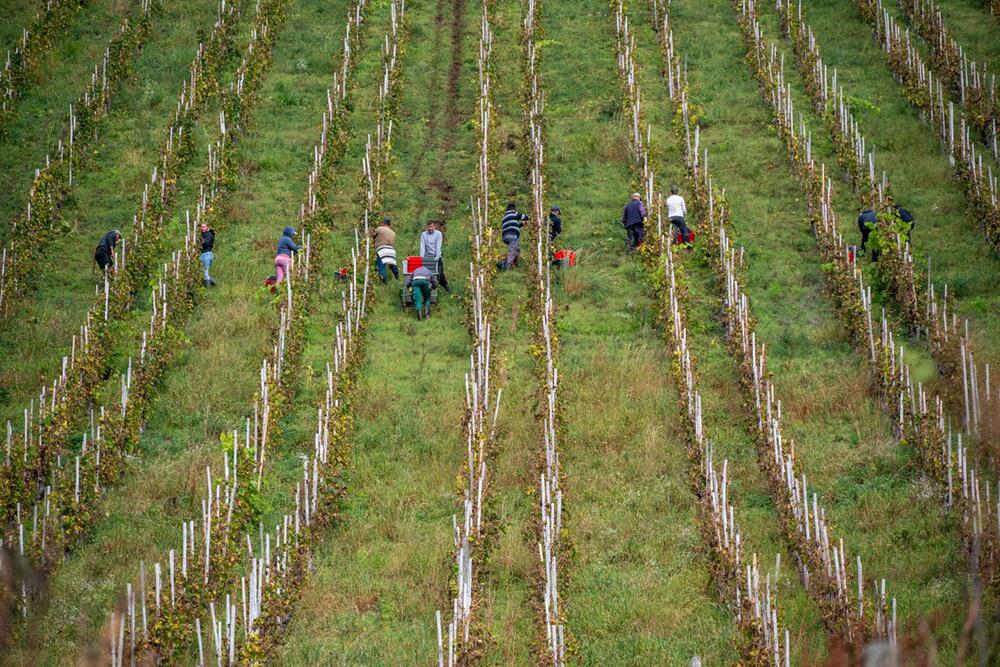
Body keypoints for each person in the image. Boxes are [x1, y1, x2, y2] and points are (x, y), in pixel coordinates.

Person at [420, 219, 449, 291]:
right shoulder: (424, 234)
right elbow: (422, 247)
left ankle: (445, 285)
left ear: (434, 226)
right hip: (427, 257)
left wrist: (437, 256)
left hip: (436, 256)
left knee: (439, 273)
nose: (430, 228)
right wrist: (422, 258)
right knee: (426, 273)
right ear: (426, 227)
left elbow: (438, 246)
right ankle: (428, 288)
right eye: (428, 227)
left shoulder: (438, 234)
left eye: (431, 227)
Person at [500, 203, 529, 270]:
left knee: (517, 250)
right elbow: (523, 217)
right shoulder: (514, 214)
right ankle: (507, 268)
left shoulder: (505, 217)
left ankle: (514, 264)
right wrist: (529, 217)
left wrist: (522, 224)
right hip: (512, 236)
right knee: (512, 252)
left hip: (506, 236)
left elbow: (513, 226)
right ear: (513, 209)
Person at [373, 217, 398, 284]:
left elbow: (373, 236)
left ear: (383, 223)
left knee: (382, 267)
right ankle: (397, 277)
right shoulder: (393, 233)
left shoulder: (380, 229)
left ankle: (383, 283)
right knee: (393, 264)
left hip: (382, 250)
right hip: (391, 251)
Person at [200, 222, 216, 287]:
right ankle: (213, 284)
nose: (202, 228)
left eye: (204, 227)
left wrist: (200, 242)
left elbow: (206, 243)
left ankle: (208, 287)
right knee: (203, 271)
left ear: (207, 227)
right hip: (206, 254)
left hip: (206, 255)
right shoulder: (205, 234)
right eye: (201, 227)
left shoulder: (208, 234)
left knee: (205, 272)